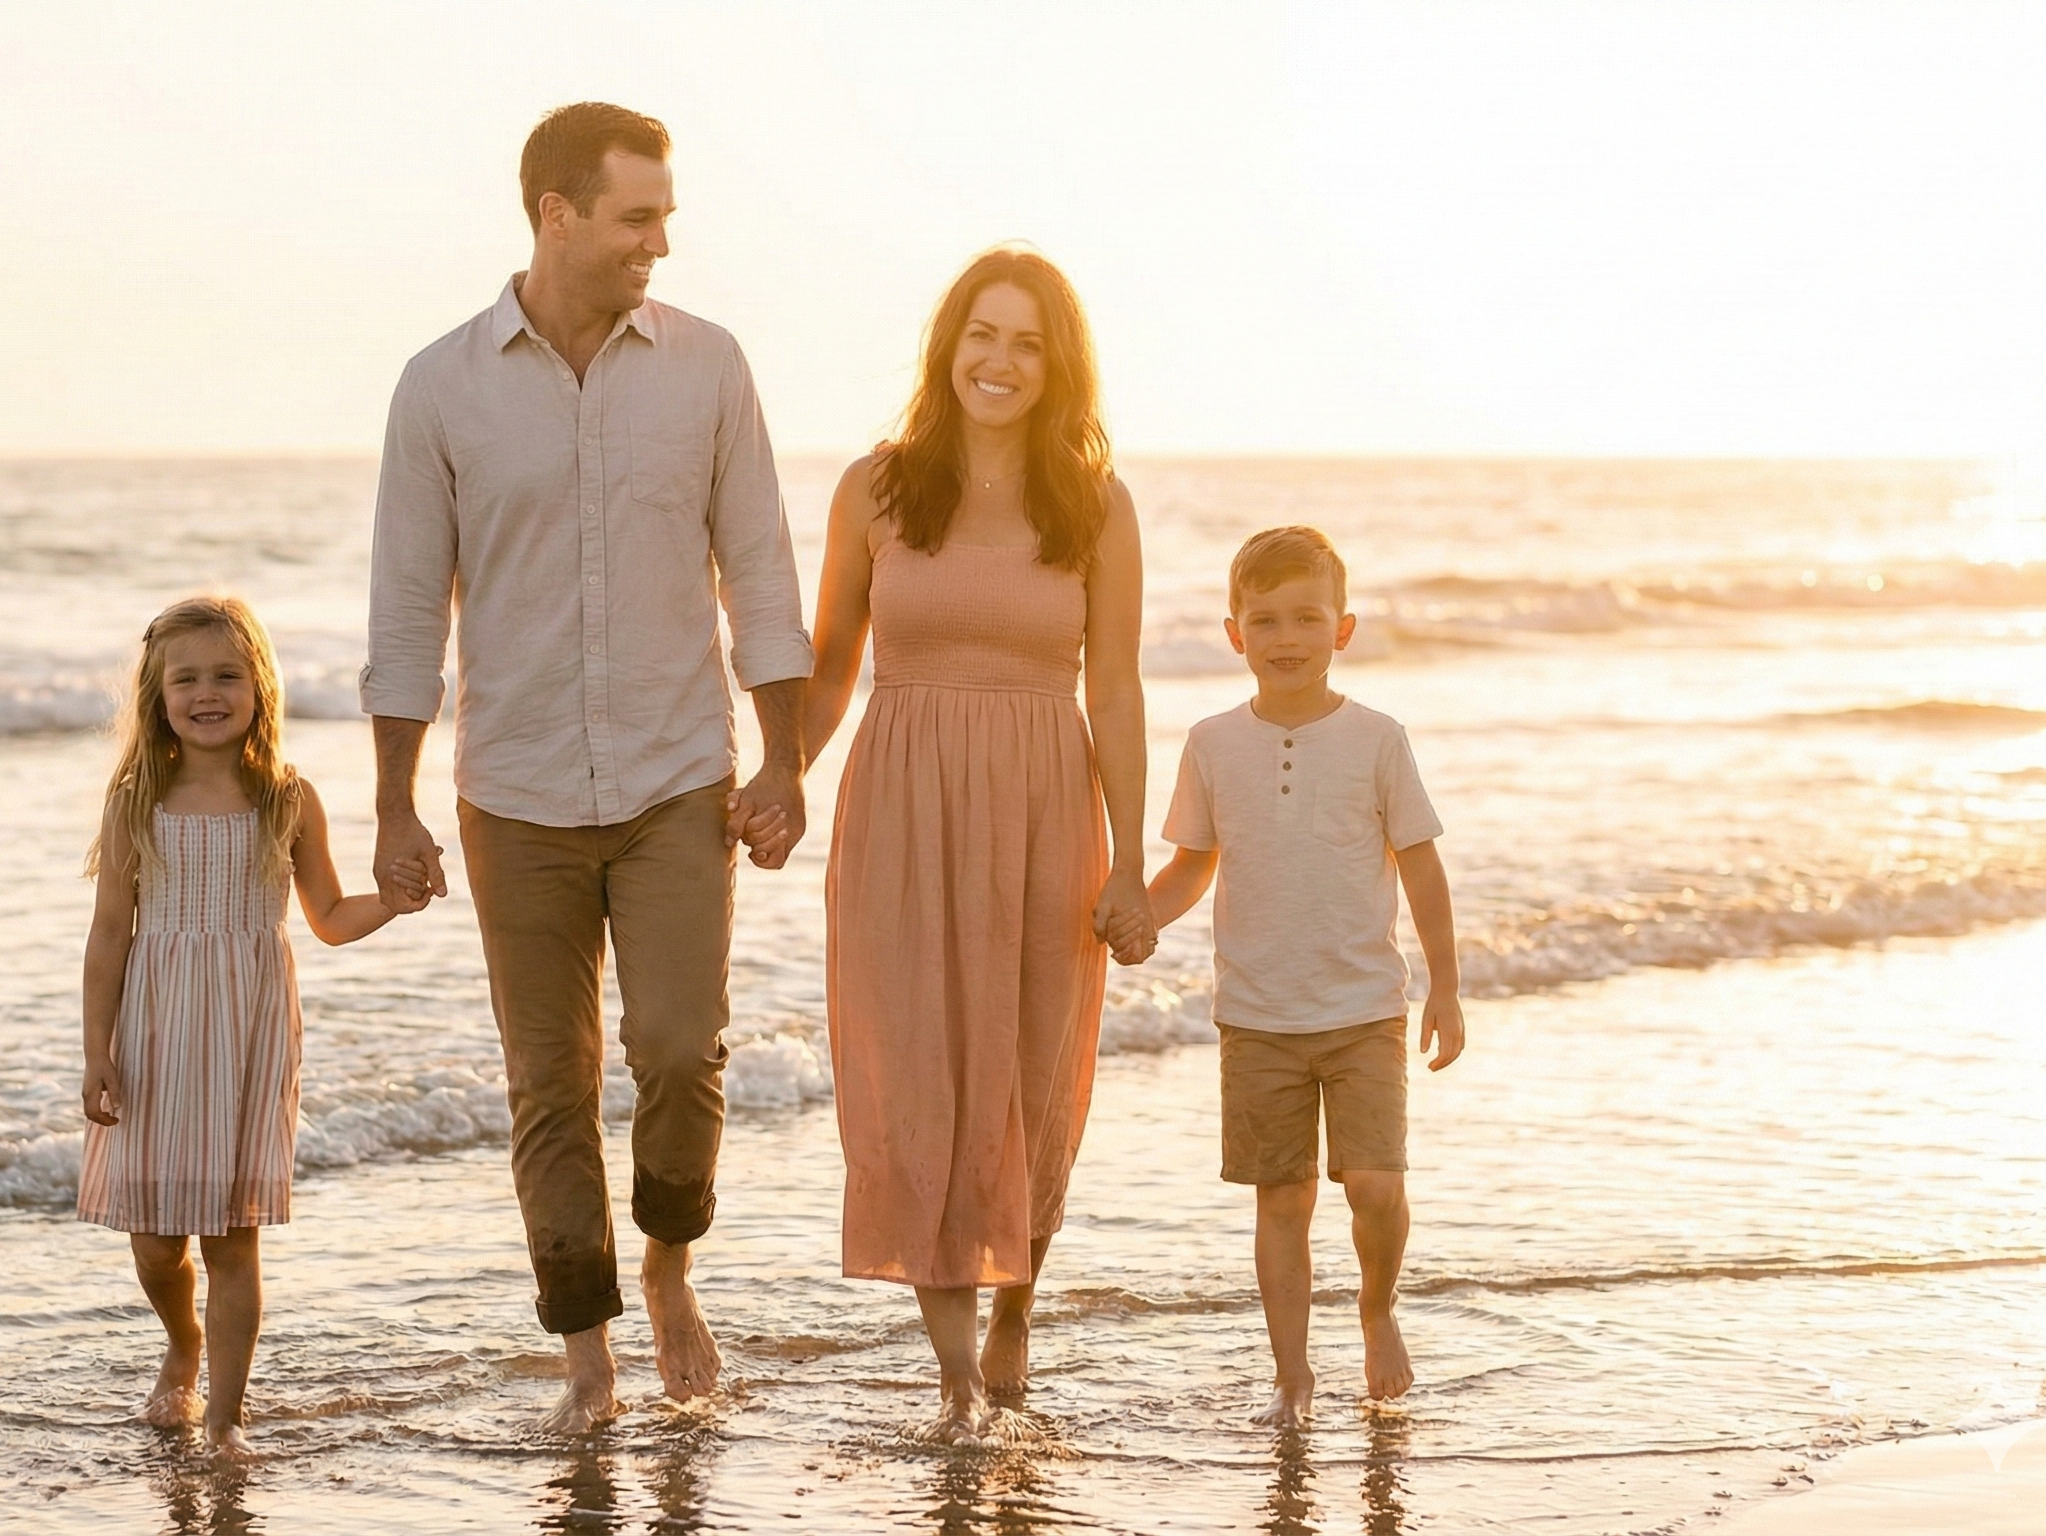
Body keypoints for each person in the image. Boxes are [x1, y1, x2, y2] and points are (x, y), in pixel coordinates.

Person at [361, 102, 814, 1434]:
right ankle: (587, 1356)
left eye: (664, 217)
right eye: (637, 217)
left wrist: (784, 760)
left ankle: (669, 1267)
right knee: (548, 1087)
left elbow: (762, 574)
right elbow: (406, 612)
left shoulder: (708, 367)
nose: (659, 242)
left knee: (677, 1050)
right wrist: (393, 805)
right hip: (514, 793)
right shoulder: (439, 388)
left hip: (677, 778)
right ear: (555, 214)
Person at [802, 247, 1155, 1442]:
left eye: (1027, 343)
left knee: (1030, 1076)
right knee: (916, 1075)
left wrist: (1132, 864)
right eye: (982, 335)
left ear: (1058, 368)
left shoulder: (1095, 505)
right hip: (901, 809)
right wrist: (777, 778)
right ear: (947, 346)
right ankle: (956, 1383)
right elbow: (831, 663)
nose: (999, 362)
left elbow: (1115, 689)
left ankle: (1015, 1307)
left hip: (1047, 809)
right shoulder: (876, 488)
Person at [76, 595, 420, 1457]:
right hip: (156, 1033)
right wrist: (96, 1053)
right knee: (156, 1241)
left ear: (259, 688)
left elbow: (330, 916)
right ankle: (182, 1342)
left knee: (233, 1239)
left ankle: (226, 1417)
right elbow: (109, 935)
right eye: (186, 679)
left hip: (249, 1033)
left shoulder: (286, 798)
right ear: (157, 696)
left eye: (227, 676)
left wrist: (394, 901)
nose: (207, 694)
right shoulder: (135, 801)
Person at [1137, 525, 1466, 1426]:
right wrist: (1136, 918)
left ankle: (1377, 1309)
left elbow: (1422, 865)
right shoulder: (1211, 743)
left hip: (1365, 1009)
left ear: (1342, 629)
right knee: (1281, 1200)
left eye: (1308, 618)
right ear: (1234, 634)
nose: (1287, 638)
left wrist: (1445, 986)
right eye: (1266, 620)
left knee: (1375, 1185)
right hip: (1256, 1015)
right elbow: (1191, 865)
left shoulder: (1377, 739)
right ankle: (1293, 1375)